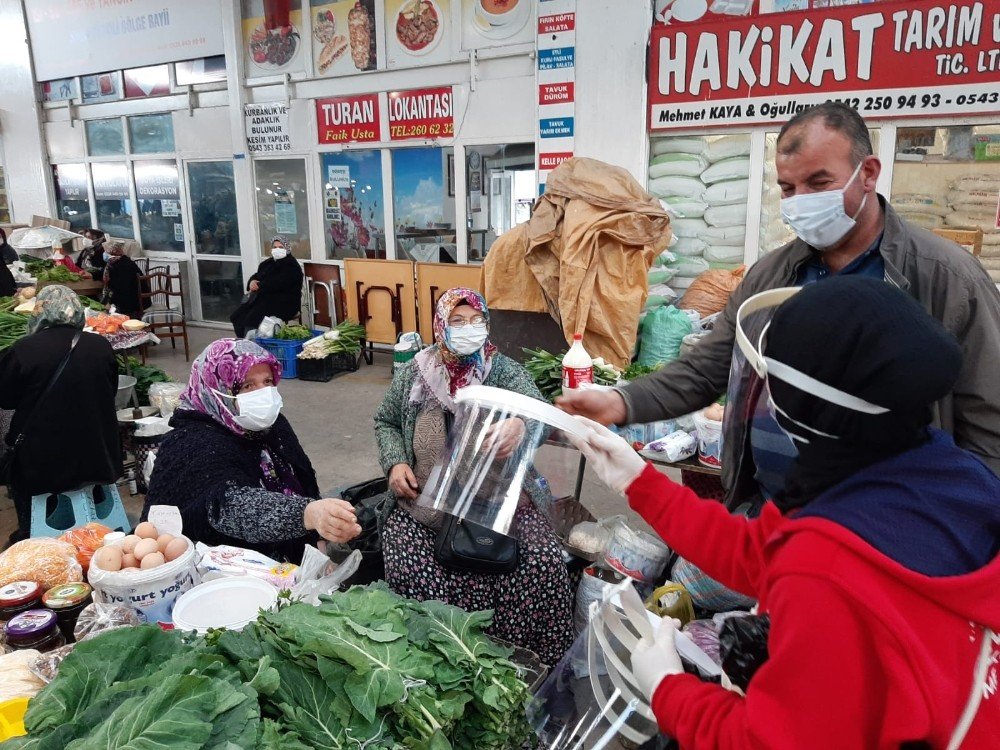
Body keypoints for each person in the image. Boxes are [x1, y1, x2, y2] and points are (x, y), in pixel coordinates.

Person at [572, 276, 1000, 749]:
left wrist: (668, 690)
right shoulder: (941, 473)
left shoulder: (825, 570)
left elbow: (770, 742)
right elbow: (758, 553)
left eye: (772, 383)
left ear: (809, 405)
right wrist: (639, 481)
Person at [558, 102, 1000, 506]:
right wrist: (621, 401)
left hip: (890, 528)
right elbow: (706, 369)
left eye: (819, 182)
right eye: (788, 188)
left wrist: (961, 523)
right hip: (775, 512)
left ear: (868, 172)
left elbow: (988, 421)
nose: (801, 201)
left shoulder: (945, 278)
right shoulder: (769, 277)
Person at [373, 288, 574, 665]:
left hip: (497, 507)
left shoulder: (502, 369)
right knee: (409, 563)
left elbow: (539, 414)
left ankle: (531, 662)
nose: (469, 329)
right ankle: (438, 661)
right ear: (440, 325)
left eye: (477, 320)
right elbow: (386, 421)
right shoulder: (415, 372)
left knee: (543, 561)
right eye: (457, 321)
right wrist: (395, 463)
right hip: (426, 508)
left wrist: (519, 425)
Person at [142, 339, 361, 563]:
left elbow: (301, 482)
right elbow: (228, 506)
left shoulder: (271, 426)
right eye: (247, 386)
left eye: (268, 381)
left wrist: (317, 536)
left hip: (283, 566)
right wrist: (306, 514)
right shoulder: (191, 444)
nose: (263, 393)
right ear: (216, 389)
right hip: (222, 573)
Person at [0, 285, 121, 543]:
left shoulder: (23, 350)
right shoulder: (100, 346)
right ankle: (100, 520)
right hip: (99, 452)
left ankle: (30, 532)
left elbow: (6, 399)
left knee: (16, 460)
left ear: (39, 312)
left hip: (43, 462)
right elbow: (110, 391)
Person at [229, 236, 303, 338]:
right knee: (238, 316)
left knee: (252, 319)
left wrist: (258, 285)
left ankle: (253, 345)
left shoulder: (291, 266)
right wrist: (252, 282)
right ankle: (243, 341)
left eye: (281, 247)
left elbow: (278, 283)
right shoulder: (267, 263)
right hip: (264, 299)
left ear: (287, 248)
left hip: (284, 302)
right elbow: (257, 276)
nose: (277, 250)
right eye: (274, 247)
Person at [102, 241, 145, 319]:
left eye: (106, 251)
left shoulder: (121, 265)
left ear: (113, 251)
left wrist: (109, 302)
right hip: (132, 299)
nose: (104, 253)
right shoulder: (120, 261)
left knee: (107, 312)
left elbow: (120, 287)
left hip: (133, 303)